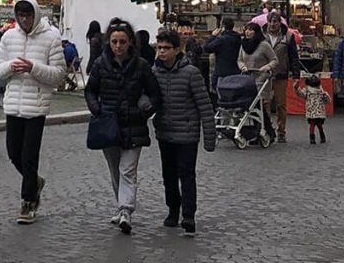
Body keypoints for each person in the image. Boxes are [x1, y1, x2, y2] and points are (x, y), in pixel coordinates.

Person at [85, 18, 161, 235]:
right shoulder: (101, 64)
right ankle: (121, 205)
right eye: (114, 42)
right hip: (108, 124)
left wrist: (146, 110)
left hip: (133, 124)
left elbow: (154, 93)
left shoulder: (142, 66)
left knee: (128, 169)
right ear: (109, 42)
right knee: (115, 169)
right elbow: (90, 90)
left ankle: (126, 209)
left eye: (122, 42)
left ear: (130, 43)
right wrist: (97, 109)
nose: (118, 46)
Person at [0, 0, 67, 224]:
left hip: (36, 104)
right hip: (13, 103)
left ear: (35, 15)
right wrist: (10, 67)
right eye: (20, 15)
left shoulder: (51, 37)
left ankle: (28, 201)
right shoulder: (8, 36)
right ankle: (35, 181)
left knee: (29, 155)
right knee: (13, 152)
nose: (24, 20)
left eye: (27, 15)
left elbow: (58, 75)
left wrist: (33, 67)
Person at [152, 29, 215, 237]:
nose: (162, 52)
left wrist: (209, 137)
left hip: (187, 133)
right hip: (165, 132)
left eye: (166, 48)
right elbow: (148, 97)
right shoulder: (155, 72)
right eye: (159, 48)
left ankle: (189, 215)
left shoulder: (191, 73)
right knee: (168, 175)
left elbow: (204, 105)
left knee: (186, 174)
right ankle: (173, 209)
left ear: (177, 50)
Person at [263, 10, 301, 142]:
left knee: (281, 104)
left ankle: (281, 131)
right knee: (265, 103)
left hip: (281, 74)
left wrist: (296, 75)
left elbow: (294, 57)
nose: (272, 24)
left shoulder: (288, 36)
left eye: (275, 22)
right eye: (270, 21)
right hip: (264, 75)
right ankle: (267, 130)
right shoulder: (261, 35)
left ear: (280, 23)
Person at [237, 22, 277, 138]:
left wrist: (267, 67)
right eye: (246, 30)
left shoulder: (264, 45)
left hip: (261, 78)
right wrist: (242, 66)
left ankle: (264, 130)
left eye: (251, 30)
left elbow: (274, 60)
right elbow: (239, 60)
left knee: (260, 104)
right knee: (252, 106)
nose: (248, 32)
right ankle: (261, 130)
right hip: (247, 79)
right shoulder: (243, 44)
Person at [203, 18, 242, 96]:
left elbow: (207, 48)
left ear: (223, 26)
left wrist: (213, 36)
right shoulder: (238, 38)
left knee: (220, 94)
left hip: (222, 73)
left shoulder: (221, 40)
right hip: (236, 70)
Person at [295, 74, 331, 144]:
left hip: (311, 112)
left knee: (312, 125)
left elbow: (300, 94)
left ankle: (312, 138)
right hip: (319, 112)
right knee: (319, 125)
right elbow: (328, 101)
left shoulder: (307, 90)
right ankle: (322, 136)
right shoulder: (321, 91)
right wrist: (325, 95)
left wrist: (297, 88)